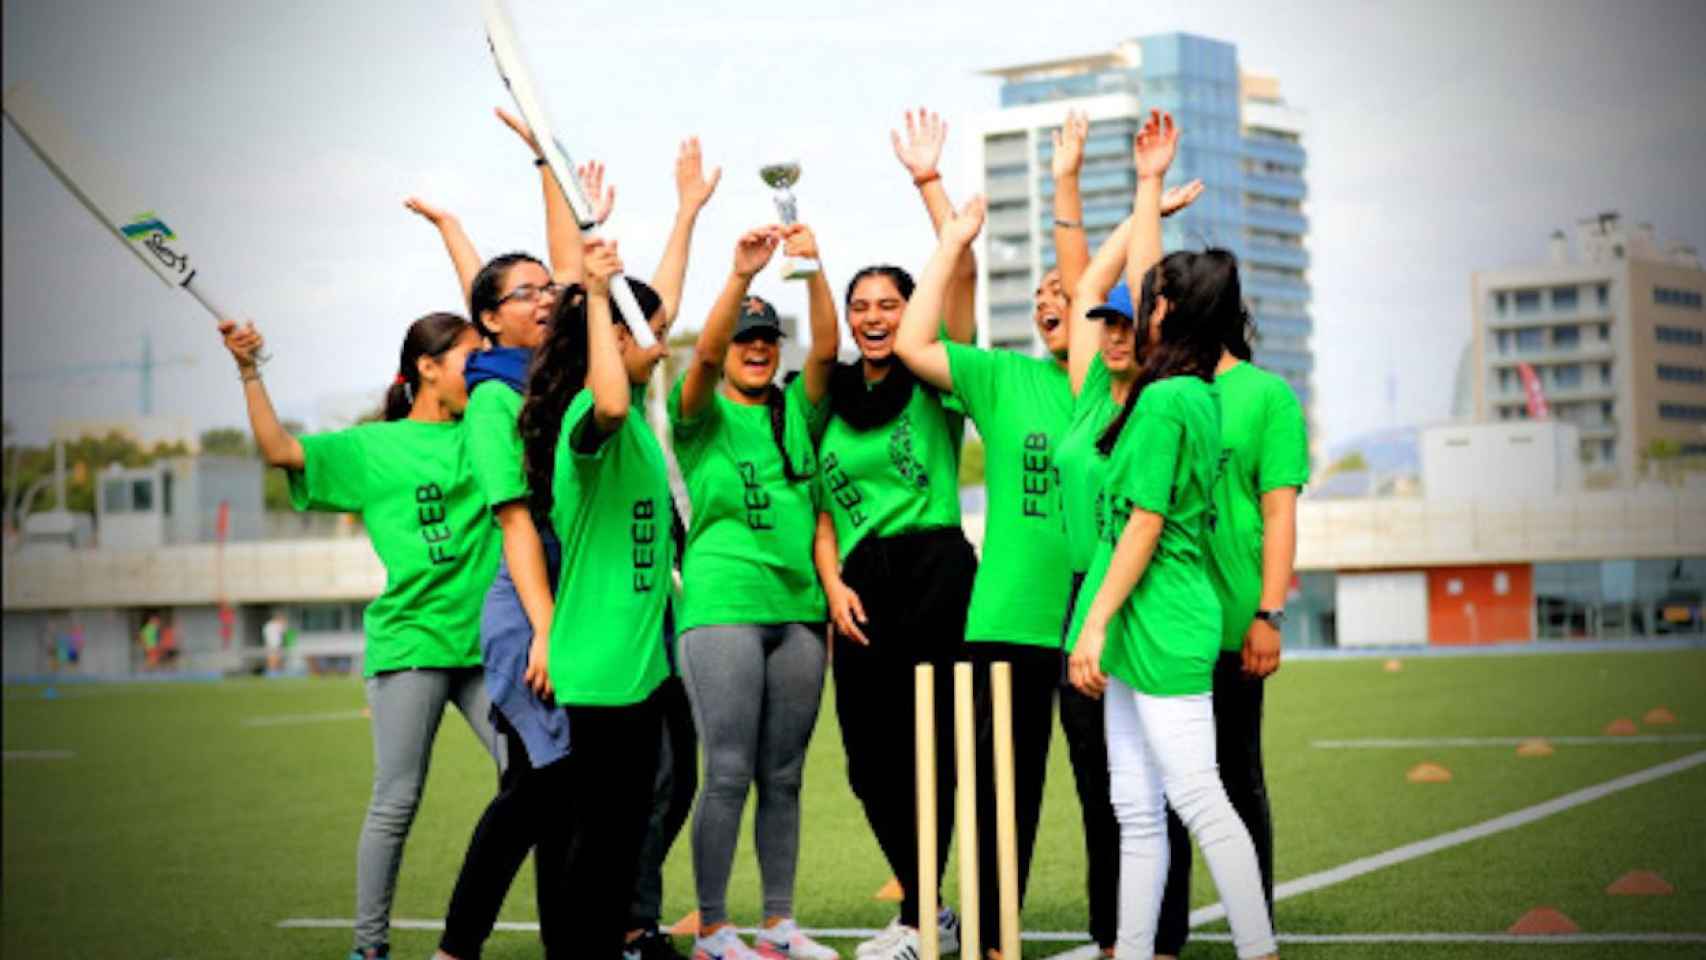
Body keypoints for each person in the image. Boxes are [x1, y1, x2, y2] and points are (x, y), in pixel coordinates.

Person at [893, 114, 1202, 959]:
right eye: (1039, 301)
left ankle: (1123, 941)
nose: (1049, 303)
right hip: (1007, 620)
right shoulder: (1003, 379)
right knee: (1001, 799)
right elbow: (925, 330)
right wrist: (943, 212)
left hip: (1097, 615)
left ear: (1107, 324)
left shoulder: (1115, 392)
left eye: (1066, 299)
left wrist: (1129, 212)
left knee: (1117, 793)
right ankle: (993, 943)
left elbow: (1094, 275)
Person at [218, 310, 502, 960]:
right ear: (428, 369)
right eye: (468, 358)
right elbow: (280, 451)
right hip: (411, 646)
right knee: (396, 800)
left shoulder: (488, 429)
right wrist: (247, 370)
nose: (482, 370)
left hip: (489, 648)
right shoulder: (372, 447)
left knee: (537, 781)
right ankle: (370, 948)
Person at [1066, 110, 1278, 960]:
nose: (1136, 305)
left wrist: (1093, 621)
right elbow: (1140, 277)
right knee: (1134, 807)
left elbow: (1145, 524)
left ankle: (1258, 948)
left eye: (1150, 301)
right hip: (1146, 617)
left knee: (1197, 794)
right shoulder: (1181, 387)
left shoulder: (1165, 401)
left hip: (1159, 616)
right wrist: (1150, 186)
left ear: (1169, 317)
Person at [811, 109, 976, 960]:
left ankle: (929, 916)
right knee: (869, 763)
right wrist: (832, 582)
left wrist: (928, 182)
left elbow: (966, 279)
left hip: (938, 568)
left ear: (910, 312)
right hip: (860, 583)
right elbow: (821, 517)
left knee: (938, 750)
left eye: (890, 304)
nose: (875, 317)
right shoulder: (826, 400)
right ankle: (925, 905)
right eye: (861, 306)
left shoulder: (934, 378)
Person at [1050, 112, 1201, 959]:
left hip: (1142, 593)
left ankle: (1163, 942)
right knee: (1102, 788)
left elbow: (1136, 285)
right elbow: (1086, 288)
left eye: (1122, 326)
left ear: (1143, 332)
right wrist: (1133, 204)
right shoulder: (1080, 397)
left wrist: (1149, 191)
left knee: (1166, 786)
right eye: (1100, 327)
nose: (1109, 336)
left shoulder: (1155, 400)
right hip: (1082, 596)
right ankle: (1115, 940)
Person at [669, 221, 840, 960]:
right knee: (729, 769)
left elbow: (828, 349)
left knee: (785, 775)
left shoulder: (796, 408)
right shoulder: (699, 415)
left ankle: (777, 924)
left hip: (798, 609)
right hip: (722, 606)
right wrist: (739, 278)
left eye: (766, 337)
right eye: (746, 338)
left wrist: (814, 268)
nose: (756, 347)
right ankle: (712, 928)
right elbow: (703, 352)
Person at [1151, 230, 1309, 960]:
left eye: (1161, 300)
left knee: (1238, 777)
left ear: (1189, 309)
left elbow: (1279, 512)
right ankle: (1164, 938)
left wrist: (1269, 615)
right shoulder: (1156, 391)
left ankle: (1257, 931)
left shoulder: (1266, 395)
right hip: (1163, 626)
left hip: (1235, 627)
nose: (1151, 313)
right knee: (1162, 794)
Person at [516, 235, 674, 958]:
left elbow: (648, 331)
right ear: (614, 339)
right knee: (602, 844)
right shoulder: (594, 415)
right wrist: (601, 292)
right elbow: (609, 397)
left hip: (638, 670)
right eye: (651, 333)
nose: (663, 341)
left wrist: (689, 219)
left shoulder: (641, 418)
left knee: (623, 838)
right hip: (603, 666)